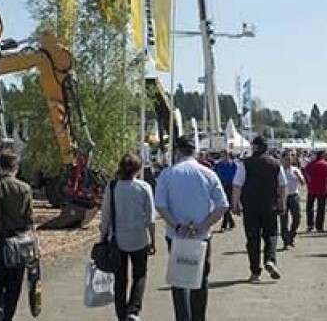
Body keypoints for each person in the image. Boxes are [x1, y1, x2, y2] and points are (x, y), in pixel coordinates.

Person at [155, 135, 231, 321]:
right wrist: (203, 225)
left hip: (177, 234)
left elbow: (160, 205)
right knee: (200, 279)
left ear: (178, 151)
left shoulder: (168, 174)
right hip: (201, 235)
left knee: (179, 281)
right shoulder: (208, 173)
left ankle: (183, 318)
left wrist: (177, 224)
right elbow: (222, 205)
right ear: (194, 151)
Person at [0, 152, 35, 321]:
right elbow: (30, 222)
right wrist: (35, 249)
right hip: (19, 240)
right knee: (14, 283)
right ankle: (8, 314)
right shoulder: (24, 189)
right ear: (16, 167)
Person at [100, 154, 157, 321]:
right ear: (138, 169)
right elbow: (150, 218)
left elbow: (106, 215)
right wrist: (152, 239)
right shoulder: (144, 187)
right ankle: (133, 309)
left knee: (120, 279)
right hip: (138, 238)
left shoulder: (112, 187)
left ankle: (121, 313)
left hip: (117, 239)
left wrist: (102, 236)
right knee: (139, 275)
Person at [232, 136, 285, 281]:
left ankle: (255, 272)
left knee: (252, 238)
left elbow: (237, 184)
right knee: (271, 235)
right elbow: (282, 185)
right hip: (270, 205)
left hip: (250, 206)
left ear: (253, 147)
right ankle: (270, 260)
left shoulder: (245, 164)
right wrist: (283, 203)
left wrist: (235, 203)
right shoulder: (275, 164)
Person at [279, 148, 305, 249]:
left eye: (291, 157)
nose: (289, 159)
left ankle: (291, 235)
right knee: (283, 220)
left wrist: (299, 177)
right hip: (283, 197)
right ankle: (286, 241)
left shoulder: (295, 170)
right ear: (283, 158)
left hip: (294, 195)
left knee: (297, 218)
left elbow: (303, 183)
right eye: (287, 157)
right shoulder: (279, 170)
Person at [304, 150, 327, 232]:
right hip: (322, 188)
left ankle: (310, 224)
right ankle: (319, 226)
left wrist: (309, 181)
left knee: (309, 207)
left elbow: (305, 172)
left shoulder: (310, 164)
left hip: (311, 188)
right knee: (321, 208)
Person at [214, 150, 238, 231]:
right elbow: (215, 175)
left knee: (227, 205)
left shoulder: (233, 165)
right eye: (222, 156)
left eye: (224, 156)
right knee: (224, 205)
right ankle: (231, 222)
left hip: (230, 186)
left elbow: (236, 176)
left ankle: (224, 225)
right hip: (221, 186)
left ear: (228, 156)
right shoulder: (218, 165)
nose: (223, 158)